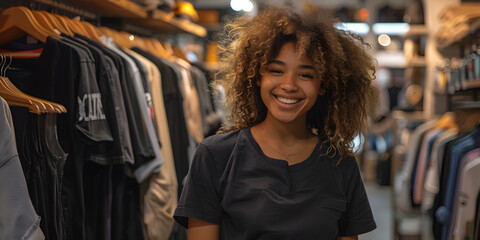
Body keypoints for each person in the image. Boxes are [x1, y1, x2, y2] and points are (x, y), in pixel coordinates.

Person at [173, 4, 378, 240]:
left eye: (305, 75)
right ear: (257, 77)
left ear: (323, 85)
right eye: (276, 71)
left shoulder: (340, 163)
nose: (289, 85)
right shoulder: (215, 156)